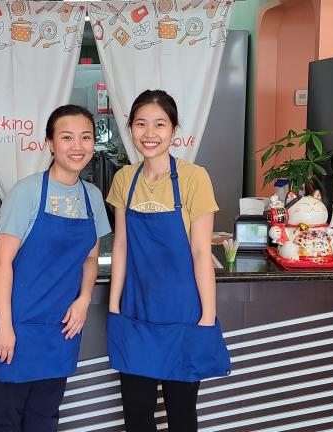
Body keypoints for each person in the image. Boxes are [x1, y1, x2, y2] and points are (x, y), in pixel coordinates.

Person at [106, 90, 231, 431]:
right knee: (137, 415)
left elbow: (201, 251)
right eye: (141, 124)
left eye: (159, 124)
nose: (150, 133)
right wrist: (115, 303)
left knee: (181, 413)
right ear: (130, 128)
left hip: (183, 312)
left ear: (174, 129)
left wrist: (207, 315)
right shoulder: (124, 179)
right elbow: (121, 245)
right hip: (135, 309)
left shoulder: (194, 178)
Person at [0, 104, 111, 431]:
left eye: (85, 137)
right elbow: (2, 261)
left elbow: (90, 258)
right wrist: (5, 325)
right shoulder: (26, 192)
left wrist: (83, 300)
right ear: (51, 143)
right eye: (67, 137)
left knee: (45, 416)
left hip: (61, 326)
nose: (77, 146)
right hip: (19, 323)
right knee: (7, 417)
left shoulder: (92, 196)